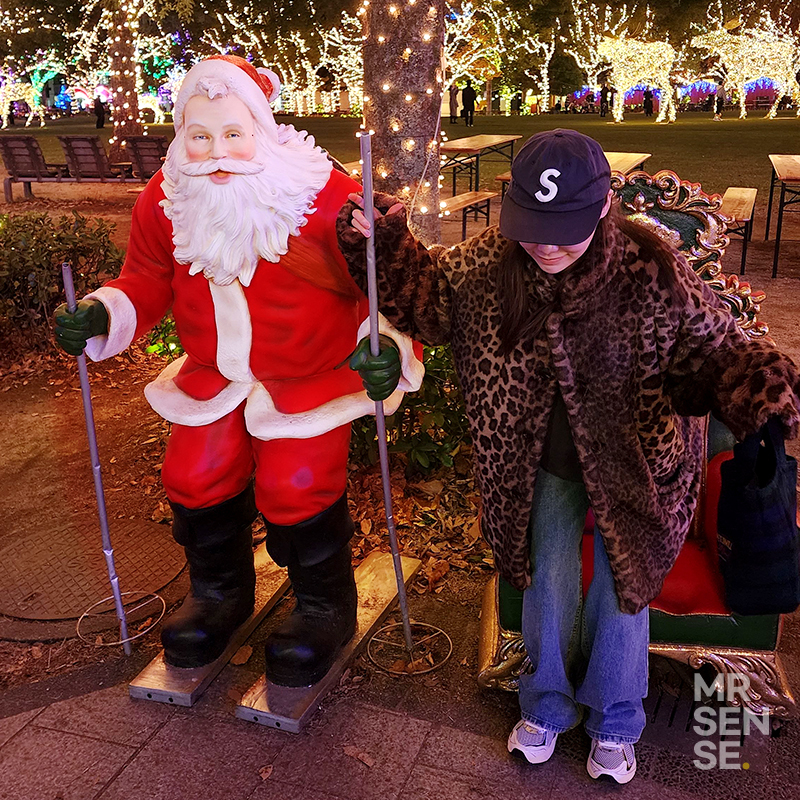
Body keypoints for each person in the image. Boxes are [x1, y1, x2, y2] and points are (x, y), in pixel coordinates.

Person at [336, 129, 800, 783]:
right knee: (546, 580)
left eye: (565, 230)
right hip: (538, 464)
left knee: (621, 590)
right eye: (533, 227)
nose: (547, 245)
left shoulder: (650, 268)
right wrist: (383, 242)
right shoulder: (489, 264)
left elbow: (714, 348)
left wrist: (759, 383)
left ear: (603, 206)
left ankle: (616, 720)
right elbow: (430, 300)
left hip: (638, 465)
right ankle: (546, 705)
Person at [53, 55, 422, 687]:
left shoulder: (325, 196)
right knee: (194, 473)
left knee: (297, 481)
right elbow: (146, 279)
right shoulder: (166, 199)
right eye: (200, 136)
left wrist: (384, 343)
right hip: (214, 377)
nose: (216, 152)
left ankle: (323, 606)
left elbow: (375, 281)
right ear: (181, 135)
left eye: (232, 133)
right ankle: (219, 594)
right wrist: (102, 311)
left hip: (308, 378)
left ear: (261, 128)